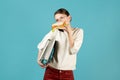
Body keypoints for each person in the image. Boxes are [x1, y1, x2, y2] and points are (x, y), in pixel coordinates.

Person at [37, 8, 84, 80]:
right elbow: (41, 44)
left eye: (62, 18)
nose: (59, 21)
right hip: (51, 71)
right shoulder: (56, 31)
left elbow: (73, 50)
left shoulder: (78, 31)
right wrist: (39, 59)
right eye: (57, 20)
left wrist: (68, 31)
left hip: (67, 73)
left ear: (69, 18)